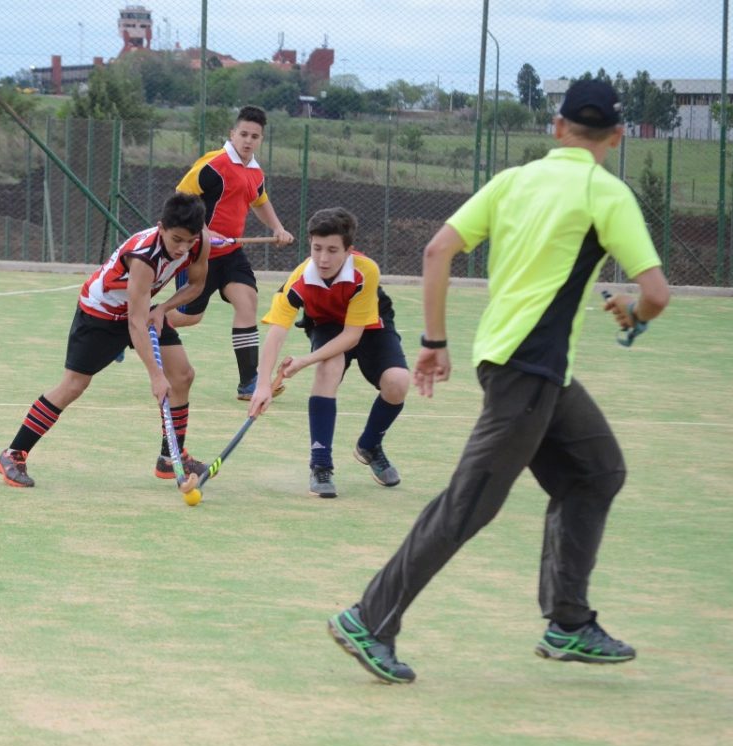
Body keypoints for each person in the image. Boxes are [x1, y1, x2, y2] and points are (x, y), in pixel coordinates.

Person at [328, 80, 670, 684]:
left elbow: (437, 251)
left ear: (557, 128)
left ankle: (568, 621)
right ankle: (369, 618)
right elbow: (657, 294)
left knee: (597, 471)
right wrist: (633, 313)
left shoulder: (513, 180)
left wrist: (434, 341)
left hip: (521, 366)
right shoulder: (607, 192)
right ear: (617, 138)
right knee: (469, 504)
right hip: (528, 372)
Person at [0, 192, 212, 488]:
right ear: (161, 227)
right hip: (101, 313)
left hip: (140, 307)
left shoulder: (200, 242)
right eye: (176, 240)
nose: (183, 248)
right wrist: (155, 376)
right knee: (74, 385)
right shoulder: (144, 257)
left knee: (183, 375)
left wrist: (163, 308)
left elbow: (196, 285)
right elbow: (135, 323)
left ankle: (170, 458)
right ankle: (13, 454)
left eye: (189, 240)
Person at [248, 208, 410, 498]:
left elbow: (352, 335)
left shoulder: (366, 271)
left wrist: (304, 361)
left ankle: (370, 445)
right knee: (328, 367)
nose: (323, 258)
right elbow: (276, 332)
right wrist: (262, 385)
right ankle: (320, 464)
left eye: (333, 250)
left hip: (369, 324)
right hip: (325, 323)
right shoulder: (299, 280)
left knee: (398, 382)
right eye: (317, 248)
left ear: (348, 250)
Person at [165, 105, 295, 400]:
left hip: (232, 254)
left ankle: (249, 383)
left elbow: (259, 201)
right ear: (232, 133)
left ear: (261, 139)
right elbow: (181, 196)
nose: (248, 140)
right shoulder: (215, 164)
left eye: (255, 136)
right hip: (200, 254)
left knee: (247, 301)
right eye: (244, 134)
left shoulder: (255, 172)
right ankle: (138, 324)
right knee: (189, 317)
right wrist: (202, 231)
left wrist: (277, 228)